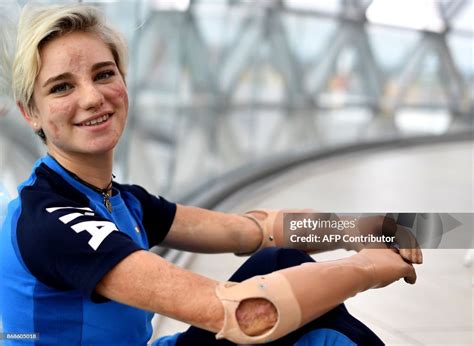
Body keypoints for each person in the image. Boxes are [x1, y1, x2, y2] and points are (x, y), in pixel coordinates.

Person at [0, 4, 422, 346]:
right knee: (291, 317)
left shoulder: (120, 199)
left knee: (280, 261)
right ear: (31, 113)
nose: (92, 97)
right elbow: (240, 313)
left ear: (123, 83)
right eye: (61, 87)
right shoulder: (51, 218)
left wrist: (363, 229)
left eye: (103, 74)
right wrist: (366, 270)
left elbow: (254, 232)